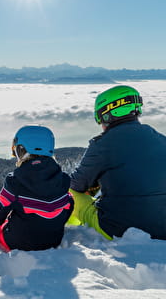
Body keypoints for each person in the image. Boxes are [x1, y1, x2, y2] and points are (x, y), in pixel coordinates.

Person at [69, 85, 166, 240]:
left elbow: (77, 184)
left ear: (106, 115)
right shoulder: (161, 139)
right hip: (162, 228)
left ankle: (69, 233)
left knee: (70, 193)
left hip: (119, 229)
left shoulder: (102, 144)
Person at [0, 125, 74, 251]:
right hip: (54, 240)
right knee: (68, 198)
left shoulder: (15, 181)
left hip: (19, 242)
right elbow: (69, 204)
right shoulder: (63, 179)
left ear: (21, 150)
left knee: (1, 228)